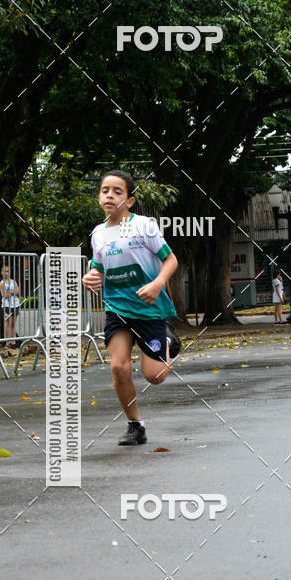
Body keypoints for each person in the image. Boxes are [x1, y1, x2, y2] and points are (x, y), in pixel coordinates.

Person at [82, 170, 178, 446]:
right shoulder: (98, 234)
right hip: (118, 309)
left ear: (130, 200)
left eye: (117, 191)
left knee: (155, 376)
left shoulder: (144, 226)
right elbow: (97, 269)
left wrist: (158, 283)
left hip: (149, 309)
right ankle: (136, 425)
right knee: (118, 367)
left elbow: (170, 260)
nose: (109, 195)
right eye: (104, 190)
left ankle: (168, 339)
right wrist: (90, 277)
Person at [0, 265, 20, 347]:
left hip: (15, 304)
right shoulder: (1, 283)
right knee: (7, 323)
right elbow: (5, 295)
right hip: (7, 305)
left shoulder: (13, 281)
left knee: (13, 324)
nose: (6, 273)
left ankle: (13, 341)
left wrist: (10, 292)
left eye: (8, 271)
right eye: (5, 271)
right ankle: (7, 342)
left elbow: (17, 292)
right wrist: (13, 291)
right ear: (2, 272)